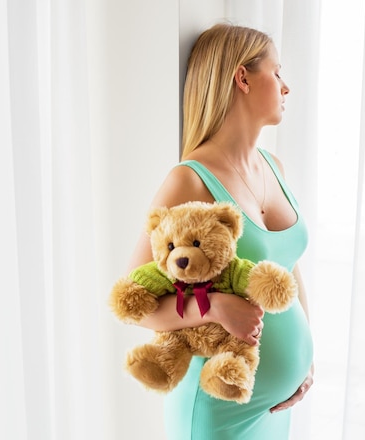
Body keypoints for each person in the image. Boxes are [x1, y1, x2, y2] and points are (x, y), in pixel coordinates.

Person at [126, 23, 314, 439]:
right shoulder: (188, 180)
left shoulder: (273, 167)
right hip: (217, 410)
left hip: (274, 407)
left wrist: (306, 359)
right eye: (277, 72)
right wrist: (211, 308)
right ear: (242, 77)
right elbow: (135, 302)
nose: (286, 87)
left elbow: (287, 266)